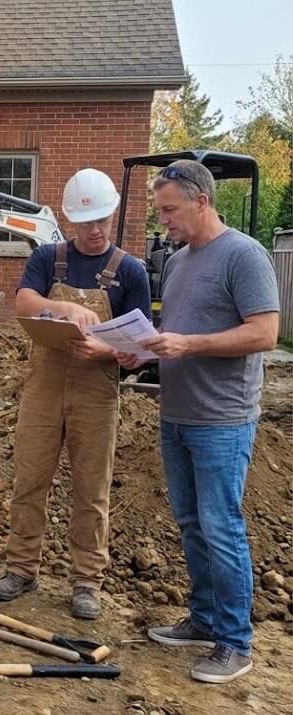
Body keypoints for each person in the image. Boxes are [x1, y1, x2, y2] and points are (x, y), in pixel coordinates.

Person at [118, 159, 279, 683]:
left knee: (222, 527)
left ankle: (235, 642)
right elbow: (177, 332)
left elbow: (264, 334)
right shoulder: (182, 261)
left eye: (170, 210)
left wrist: (187, 344)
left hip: (222, 420)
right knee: (191, 525)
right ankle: (205, 621)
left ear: (202, 201)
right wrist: (144, 354)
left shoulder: (244, 255)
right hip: (178, 413)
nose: (163, 220)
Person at [0, 168, 151, 620]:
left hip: (97, 392)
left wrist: (115, 351)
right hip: (43, 388)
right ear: (71, 221)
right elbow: (24, 303)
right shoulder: (48, 258)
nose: (94, 230)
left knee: (91, 489)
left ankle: (86, 581)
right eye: (85, 222)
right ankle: (21, 568)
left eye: (101, 220)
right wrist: (63, 307)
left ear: (113, 213)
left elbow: (142, 346)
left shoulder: (130, 271)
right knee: (29, 479)